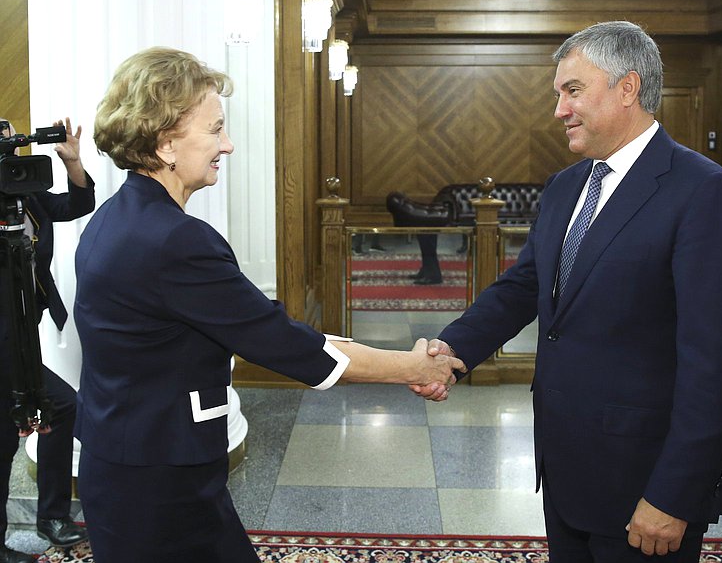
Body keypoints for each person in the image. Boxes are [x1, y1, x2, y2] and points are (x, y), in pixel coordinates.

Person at [73, 46, 462, 563]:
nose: (227, 145)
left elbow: (254, 327)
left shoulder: (113, 218)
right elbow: (285, 344)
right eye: (215, 130)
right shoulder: (175, 241)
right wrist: (411, 365)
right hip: (161, 477)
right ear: (166, 143)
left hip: (127, 459)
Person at [414, 21, 722, 562]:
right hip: (567, 468)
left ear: (628, 88)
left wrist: (674, 493)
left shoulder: (707, 193)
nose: (559, 110)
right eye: (558, 94)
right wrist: (454, 350)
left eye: (572, 91)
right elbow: (525, 286)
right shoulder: (566, 185)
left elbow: (718, 366)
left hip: (646, 482)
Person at [0, 117, 93, 562]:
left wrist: (72, 161)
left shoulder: (25, 192)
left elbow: (80, 202)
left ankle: (52, 517)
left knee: (61, 406)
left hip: (19, 334)